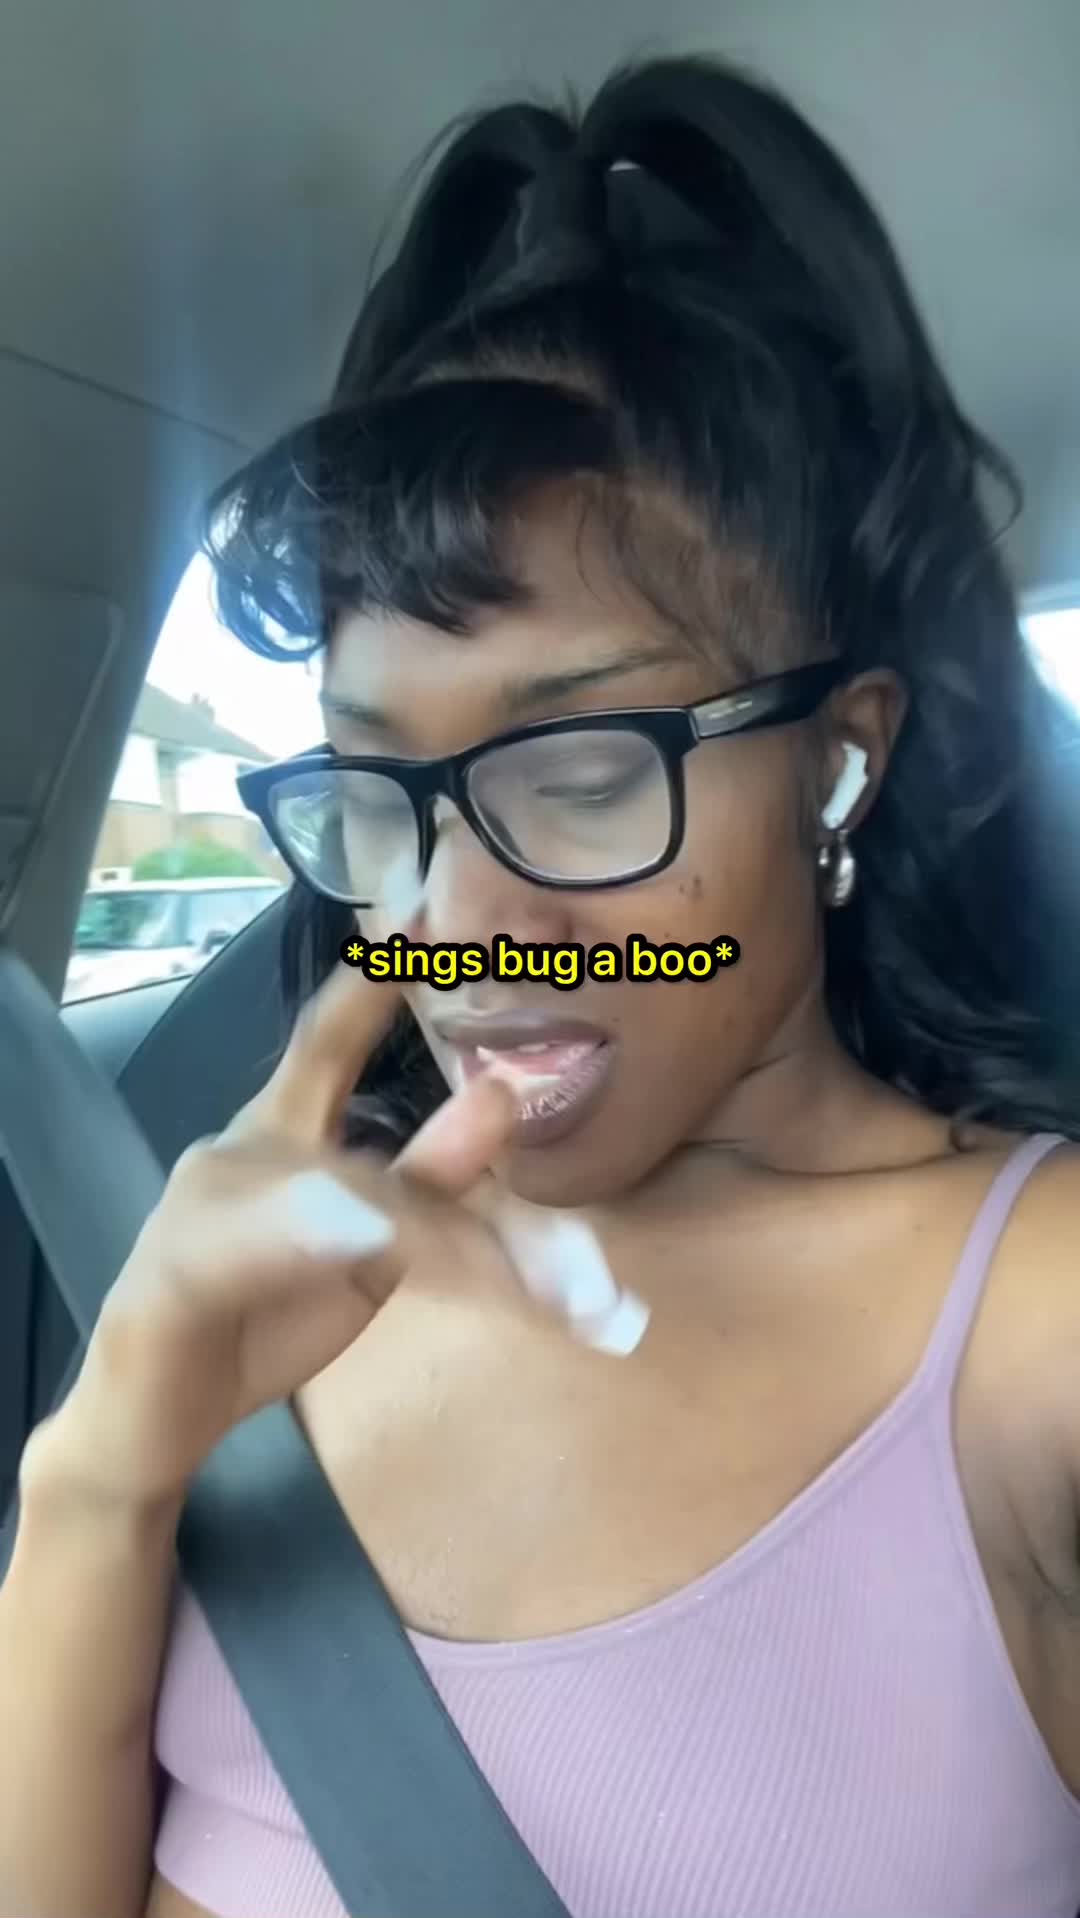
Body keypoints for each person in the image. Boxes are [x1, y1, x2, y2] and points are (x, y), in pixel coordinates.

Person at [3, 51, 1080, 1918]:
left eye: (582, 771)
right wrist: (107, 1461)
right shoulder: (289, 1269)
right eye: (379, 792)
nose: (460, 915)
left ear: (840, 758)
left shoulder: (1033, 1326)